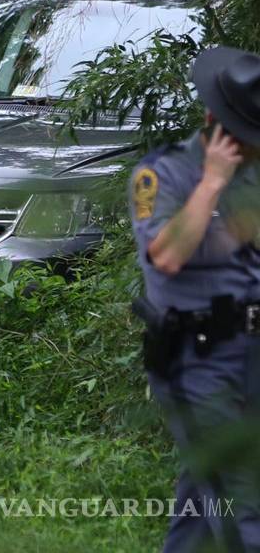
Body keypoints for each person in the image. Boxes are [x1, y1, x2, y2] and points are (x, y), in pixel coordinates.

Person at [128, 45, 260, 552]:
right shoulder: (162, 175)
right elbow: (166, 255)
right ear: (215, 122)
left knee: (205, 507)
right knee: (244, 514)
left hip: (251, 354)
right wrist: (211, 184)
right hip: (196, 360)